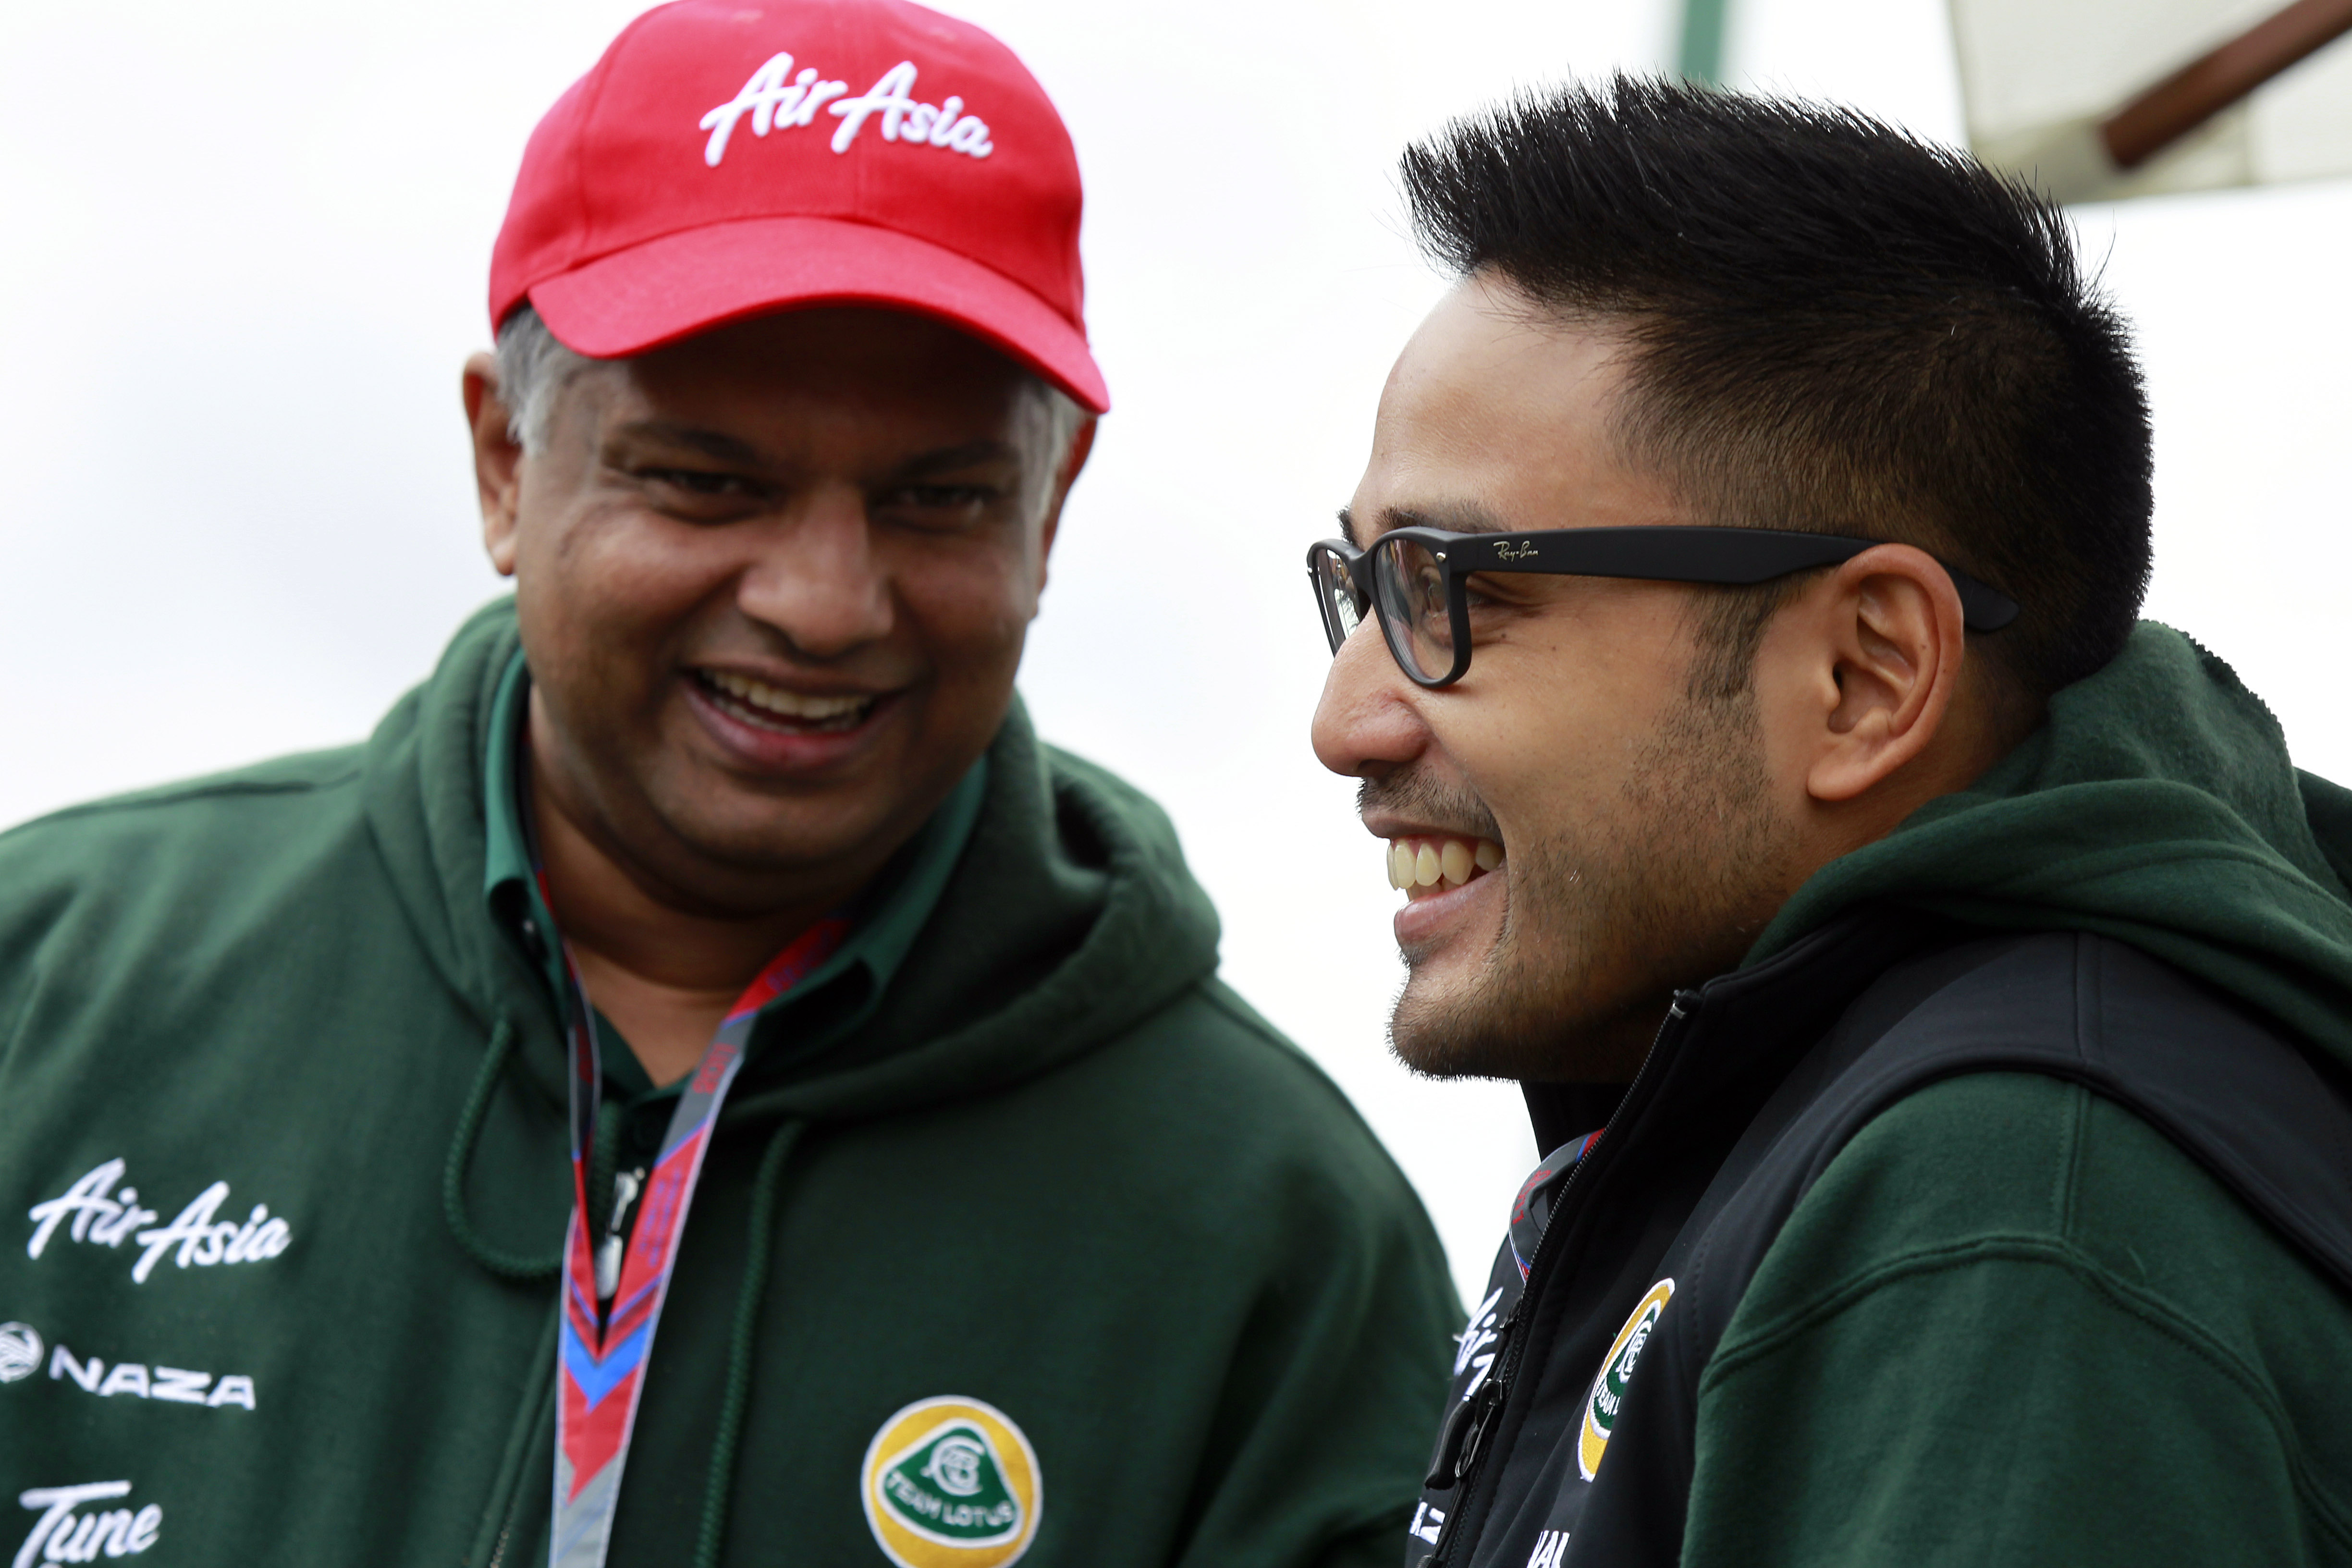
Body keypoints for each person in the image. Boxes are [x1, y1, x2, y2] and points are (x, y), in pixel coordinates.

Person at [0, 3, 1462, 1565]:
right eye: (706, 482)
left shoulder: (1279, 1245)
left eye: (938, 499)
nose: (825, 604)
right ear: (504, 462)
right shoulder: (50, 988)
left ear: (1050, 509)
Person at [1306, 78, 2352, 1568]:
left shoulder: (2009, 1213)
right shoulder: (1765, 1131)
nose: (1345, 721)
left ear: (1865, 675)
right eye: (1361, 590)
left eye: (1453, 593)